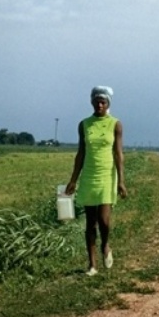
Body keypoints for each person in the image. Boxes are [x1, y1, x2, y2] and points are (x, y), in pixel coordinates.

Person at [65, 86, 127, 276]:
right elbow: (81, 153)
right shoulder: (84, 124)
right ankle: (92, 265)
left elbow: (118, 154)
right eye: (97, 101)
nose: (100, 105)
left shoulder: (115, 124)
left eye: (103, 102)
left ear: (108, 104)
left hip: (107, 175)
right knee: (90, 223)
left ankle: (105, 245)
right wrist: (73, 179)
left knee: (104, 221)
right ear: (92, 102)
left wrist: (121, 181)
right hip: (89, 176)